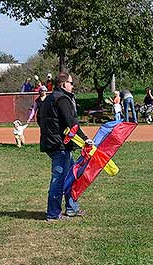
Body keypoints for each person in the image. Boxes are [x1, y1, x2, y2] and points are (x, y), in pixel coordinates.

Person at [39, 72, 93, 221]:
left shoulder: (49, 98)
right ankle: (53, 214)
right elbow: (72, 123)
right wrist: (85, 139)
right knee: (60, 179)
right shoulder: (62, 99)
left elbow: (39, 120)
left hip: (53, 143)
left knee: (71, 176)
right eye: (71, 83)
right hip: (59, 145)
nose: (73, 86)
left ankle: (72, 208)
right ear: (63, 84)